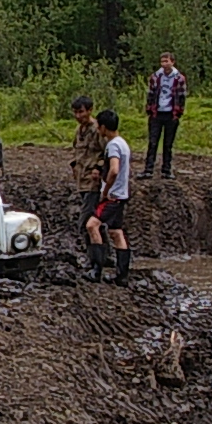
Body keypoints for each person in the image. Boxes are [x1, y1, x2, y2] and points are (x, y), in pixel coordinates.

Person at [67, 95, 109, 269]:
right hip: (81, 181)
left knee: (87, 222)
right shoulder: (79, 131)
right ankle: (105, 256)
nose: (78, 116)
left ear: (90, 110)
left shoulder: (96, 130)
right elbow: (76, 152)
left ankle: (95, 259)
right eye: (76, 112)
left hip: (93, 183)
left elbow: (106, 154)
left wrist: (98, 168)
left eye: (81, 112)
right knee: (95, 222)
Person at [93, 108, 134, 284]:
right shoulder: (123, 143)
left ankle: (96, 271)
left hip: (113, 196)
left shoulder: (113, 145)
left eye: (98, 126)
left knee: (91, 226)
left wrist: (105, 191)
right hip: (122, 195)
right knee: (116, 232)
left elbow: (114, 169)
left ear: (103, 127)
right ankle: (122, 275)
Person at [144, 52, 188, 178]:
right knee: (153, 142)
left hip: (171, 113)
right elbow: (150, 94)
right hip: (157, 113)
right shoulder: (155, 77)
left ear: (172, 62)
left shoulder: (179, 78)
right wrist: (150, 109)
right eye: (162, 61)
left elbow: (182, 96)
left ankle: (166, 170)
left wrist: (178, 112)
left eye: (166, 61)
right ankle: (148, 169)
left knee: (168, 144)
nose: (164, 64)